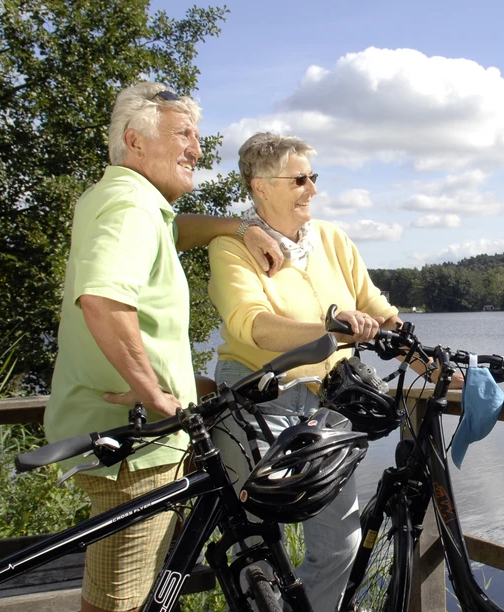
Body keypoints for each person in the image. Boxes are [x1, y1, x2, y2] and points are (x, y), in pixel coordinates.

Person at [44, 82, 286, 612]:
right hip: (134, 446)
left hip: (131, 440)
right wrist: (153, 392)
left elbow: (174, 230)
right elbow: (104, 300)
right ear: (135, 141)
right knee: (121, 603)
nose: (197, 149)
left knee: (139, 592)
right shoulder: (130, 206)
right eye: (184, 135)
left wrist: (240, 226)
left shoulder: (126, 202)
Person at [207, 132, 415, 612]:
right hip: (258, 403)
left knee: (340, 545)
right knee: (255, 549)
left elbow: (381, 313)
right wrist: (331, 329)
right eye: (299, 179)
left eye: (313, 177)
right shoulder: (230, 246)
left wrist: (428, 363)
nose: (313, 189)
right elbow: (252, 325)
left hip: (328, 410)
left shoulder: (333, 239)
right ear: (260, 186)